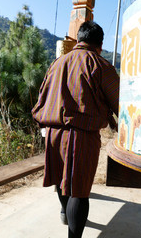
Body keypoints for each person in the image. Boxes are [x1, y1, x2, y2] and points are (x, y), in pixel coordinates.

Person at [31, 21, 119, 238]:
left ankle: (64, 213)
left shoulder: (57, 63)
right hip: (82, 136)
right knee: (79, 192)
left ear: (79, 39)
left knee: (63, 182)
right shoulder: (101, 65)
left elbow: (42, 98)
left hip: (52, 133)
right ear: (99, 44)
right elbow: (120, 103)